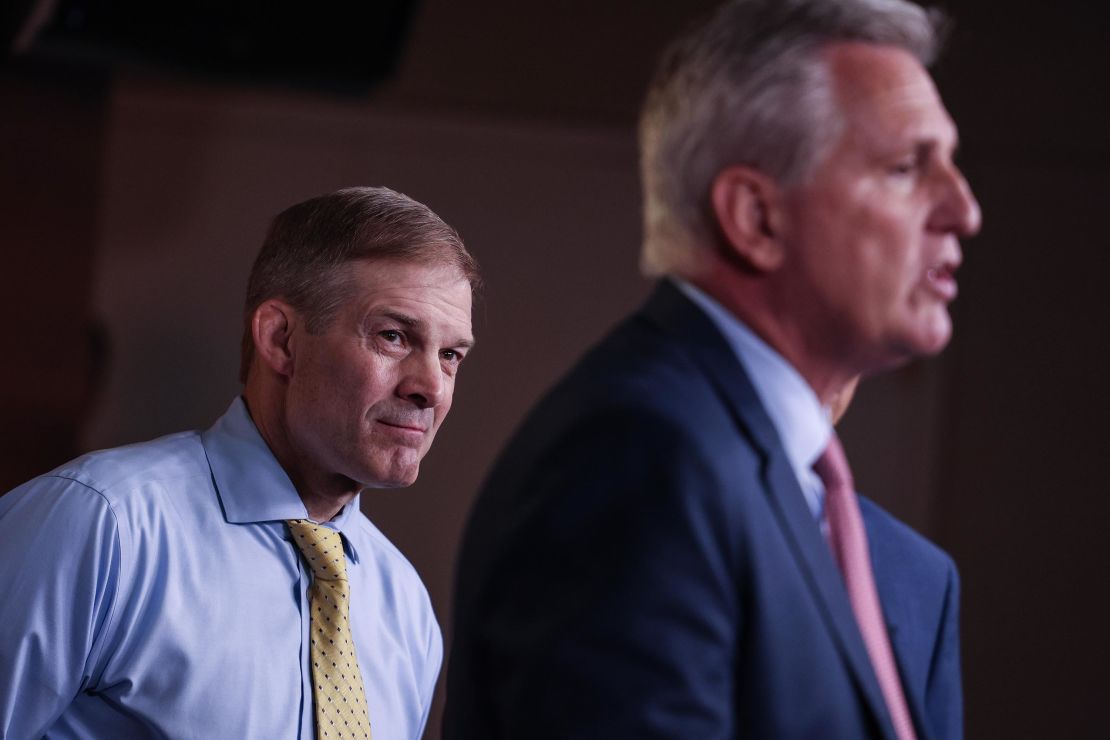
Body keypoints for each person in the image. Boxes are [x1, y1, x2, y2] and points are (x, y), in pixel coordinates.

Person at [444, 0, 979, 737]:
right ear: (756, 218)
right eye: (903, 168)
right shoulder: (636, 457)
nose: (964, 209)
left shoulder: (740, 470)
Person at [0, 186, 480, 739]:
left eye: (450, 356)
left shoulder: (406, 609)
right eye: (394, 336)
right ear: (280, 340)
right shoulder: (100, 525)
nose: (430, 389)